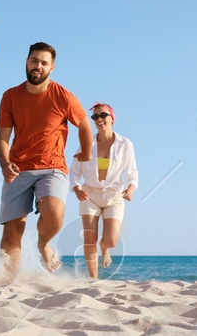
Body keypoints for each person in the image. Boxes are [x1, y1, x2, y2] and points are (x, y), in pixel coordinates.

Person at [0, 42, 92, 278]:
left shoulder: (64, 96)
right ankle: (8, 283)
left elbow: (84, 125)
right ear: (26, 62)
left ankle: (43, 244)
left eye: (44, 63)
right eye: (34, 61)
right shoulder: (10, 96)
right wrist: (5, 164)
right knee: (12, 230)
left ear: (52, 67)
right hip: (18, 168)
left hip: (53, 167)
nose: (38, 66)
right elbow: (2, 138)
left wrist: (87, 153)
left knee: (54, 212)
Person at [69, 102, 138, 279]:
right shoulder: (87, 144)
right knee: (89, 239)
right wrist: (76, 189)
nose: (99, 119)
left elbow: (132, 171)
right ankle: (94, 279)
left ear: (112, 118)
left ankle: (105, 248)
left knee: (111, 240)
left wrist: (131, 188)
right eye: (95, 117)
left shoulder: (125, 144)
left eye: (103, 115)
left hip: (114, 195)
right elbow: (74, 172)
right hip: (90, 194)